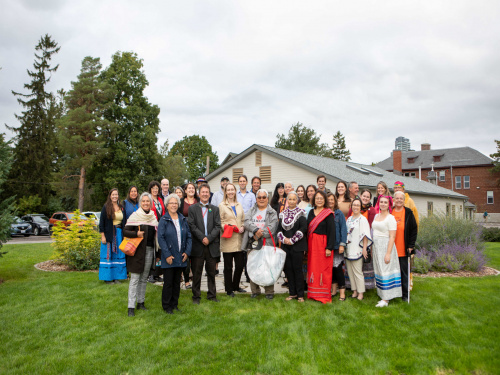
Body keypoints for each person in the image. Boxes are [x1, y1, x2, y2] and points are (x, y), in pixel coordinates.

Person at [123, 192, 159, 317]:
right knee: (134, 279)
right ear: (140, 203)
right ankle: (131, 307)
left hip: (149, 250)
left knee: (144, 278)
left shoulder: (153, 217)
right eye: (143, 201)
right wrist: (136, 234)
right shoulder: (135, 216)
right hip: (137, 252)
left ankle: (141, 302)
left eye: (147, 201)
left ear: (150, 203)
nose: (145, 203)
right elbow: (125, 231)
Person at [157, 194, 192, 314]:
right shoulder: (164, 220)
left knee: (177, 282)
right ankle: (167, 306)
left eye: (176, 203)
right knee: (168, 283)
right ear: (167, 205)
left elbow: (188, 236)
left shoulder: (182, 219)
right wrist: (167, 255)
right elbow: (160, 238)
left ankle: (174, 304)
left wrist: (187, 252)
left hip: (180, 256)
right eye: (171, 203)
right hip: (169, 257)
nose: (174, 205)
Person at [242, 189, 278, 299]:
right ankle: (255, 291)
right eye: (259, 197)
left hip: (267, 243)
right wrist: (255, 230)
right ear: (256, 199)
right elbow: (246, 222)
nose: (261, 199)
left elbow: (272, 228)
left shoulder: (273, 212)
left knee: (268, 267)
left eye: (264, 197)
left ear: (268, 199)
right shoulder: (252, 210)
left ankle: (269, 292)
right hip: (253, 243)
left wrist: (259, 233)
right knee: (253, 267)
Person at [188, 183, 221, 304]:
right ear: (199, 194)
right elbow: (191, 225)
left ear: (209, 194)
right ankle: (196, 296)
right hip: (198, 245)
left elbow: (218, 226)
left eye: (207, 192)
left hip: (211, 245)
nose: (205, 194)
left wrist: (209, 238)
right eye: (203, 192)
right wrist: (203, 238)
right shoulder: (193, 209)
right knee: (197, 273)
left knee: (211, 273)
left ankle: (212, 295)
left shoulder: (215, 209)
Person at [372, 195, 402, 307]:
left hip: (385, 246)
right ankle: (381, 294)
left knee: (385, 270)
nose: (383, 204)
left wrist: (388, 253)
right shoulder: (376, 216)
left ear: (389, 204)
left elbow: (392, 237)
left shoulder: (391, 218)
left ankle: (386, 299)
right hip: (376, 246)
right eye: (381, 202)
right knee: (379, 270)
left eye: (385, 202)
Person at [277, 191, 307, 302]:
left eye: (294, 199)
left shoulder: (301, 213)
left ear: (297, 201)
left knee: (298, 270)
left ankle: (300, 295)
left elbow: (304, 228)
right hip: (286, 246)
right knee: (288, 270)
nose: (292, 201)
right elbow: (279, 229)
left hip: (297, 245)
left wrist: (293, 240)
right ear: (287, 200)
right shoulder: (283, 213)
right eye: (290, 199)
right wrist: (284, 239)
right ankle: (292, 293)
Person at [306, 190, 335, 304]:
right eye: (317, 198)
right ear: (314, 200)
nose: (319, 200)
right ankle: (313, 293)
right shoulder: (311, 212)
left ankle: (324, 295)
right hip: (312, 243)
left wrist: (329, 247)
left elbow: (332, 232)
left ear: (325, 200)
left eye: (321, 198)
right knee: (313, 267)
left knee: (324, 269)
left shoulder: (328, 213)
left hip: (323, 244)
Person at [219, 182, 246, 297]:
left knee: (240, 265)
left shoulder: (239, 205)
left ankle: (236, 285)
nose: (230, 192)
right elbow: (220, 222)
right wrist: (228, 227)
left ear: (235, 191)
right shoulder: (222, 205)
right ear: (225, 192)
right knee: (228, 266)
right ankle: (229, 289)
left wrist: (243, 227)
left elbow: (243, 220)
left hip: (239, 239)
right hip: (228, 239)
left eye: (232, 190)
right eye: (228, 190)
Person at [345, 198, 372, 301]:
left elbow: (365, 235)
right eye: (354, 205)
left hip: (358, 249)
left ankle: (361, 293)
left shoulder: (362, 219)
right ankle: (354, 291)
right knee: (350, 272)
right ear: (351, 206)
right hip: (349, 249)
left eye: (357, 205)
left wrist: (365, 248)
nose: (355, 207)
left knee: (358, 272)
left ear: (360, 207)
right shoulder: (349, 219)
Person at [393, 191, 418, 302]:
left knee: (404, 273)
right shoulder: (390, 212)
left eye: (401, 198)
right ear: (394, 199)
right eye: (397, 198)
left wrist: (411, 245)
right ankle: (393, 293)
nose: (399, 200)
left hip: (403, 249)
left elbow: (414, 230)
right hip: (391, 250)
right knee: (393, 273)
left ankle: (404, 295)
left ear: (404, 200)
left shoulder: (408, 212)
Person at [99, 188, 127, 284]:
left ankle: (116, 277)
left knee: (118, 255)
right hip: (109, 234)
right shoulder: (106, 207)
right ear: (110, 196)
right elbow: (101, 222)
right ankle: (107, 278)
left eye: (116, 194)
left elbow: (124, 221)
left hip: (119, 234)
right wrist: (103, 236)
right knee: (109, 255)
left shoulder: (121, 207)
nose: (115, 196)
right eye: (113, 194)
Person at [327, 193, 347, 301]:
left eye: (332, 200)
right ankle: (333, 291)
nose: (330, 201)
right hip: (328, 247)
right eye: (328, 200)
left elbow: (343, 229)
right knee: (331, 269)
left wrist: (342, 245)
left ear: (335, 201)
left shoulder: (339, 214)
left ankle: (342, 293)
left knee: (338, 269)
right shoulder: (325, 213)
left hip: (337, 246)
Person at [178, 182, 199, 289]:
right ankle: (186, 281)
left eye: (193, 188)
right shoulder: (181, 202)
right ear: (185, 191)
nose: (191, 190)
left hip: (197, 232)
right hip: (184, 232)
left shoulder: (198, 201)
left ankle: (196, 278)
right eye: (189, 188)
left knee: (196, 256)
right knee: (185, 256)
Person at [148, 181, 165, 283]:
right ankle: (151, 274)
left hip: (160, 227)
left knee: (160, 251)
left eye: (156, 188)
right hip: (152, 227)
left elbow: (163, 212)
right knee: (153, 250)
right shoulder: (149, 199)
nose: (155, 190)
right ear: (150, 189)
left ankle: (158, 273)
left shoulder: (160, 200)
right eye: (153, 188)